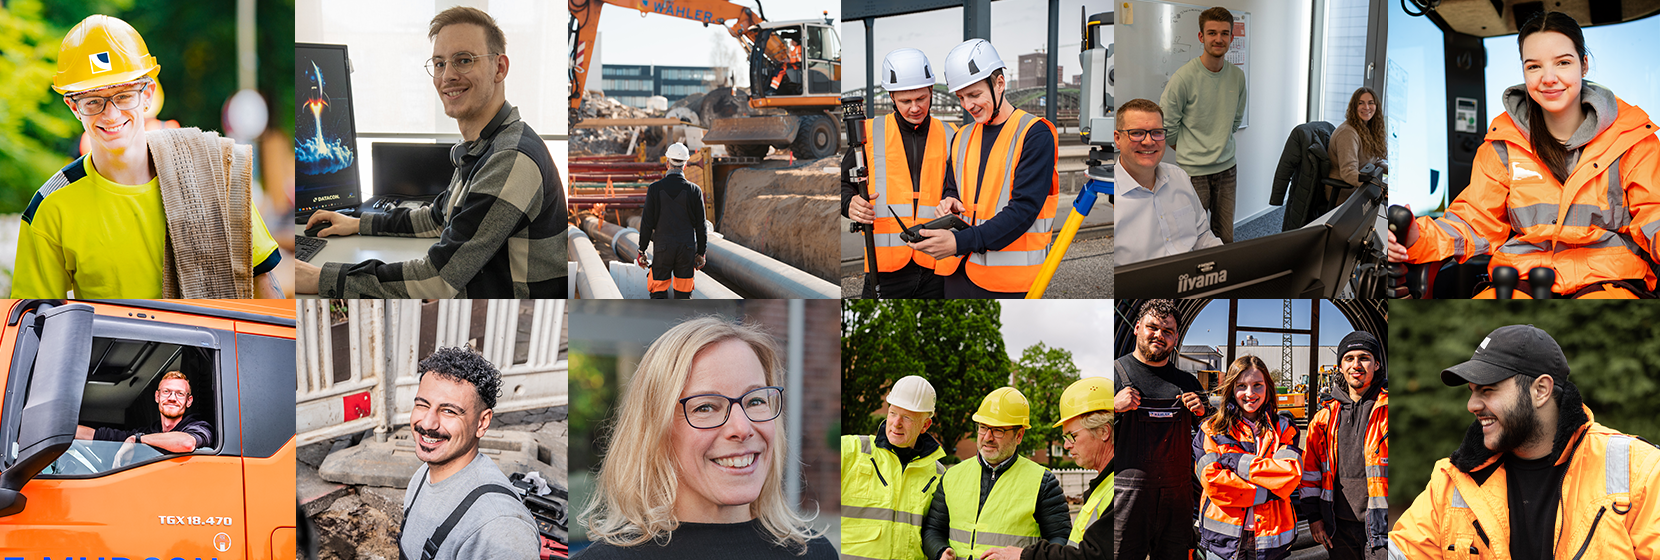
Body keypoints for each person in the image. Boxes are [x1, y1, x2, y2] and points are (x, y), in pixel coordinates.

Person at [298, 6, 566, 299]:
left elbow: (438, 278)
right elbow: (438, 219)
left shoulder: (510, 158)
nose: (447, 76)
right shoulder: (484, 146)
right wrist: (358, 223)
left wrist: (319, 278)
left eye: (464, 60)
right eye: (439, 64)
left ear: (499, 68)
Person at [1387, 11, 1660, 299]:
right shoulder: (1503, 144)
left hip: (1608, 278)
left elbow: (1654, 213)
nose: (1548, 78)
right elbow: (1475, 220)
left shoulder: (1632, 139)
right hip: (1520, 278)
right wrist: (1417, 237)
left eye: (1563, 63)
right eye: (1534, 67)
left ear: (1583, 65)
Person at [13, 14, 283, 299]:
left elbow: (263, 281)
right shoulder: (50, 209)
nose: (111, 114)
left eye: (123, 96)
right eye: (93, 101)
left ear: (147, 94)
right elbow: (35, 316)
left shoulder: (214, 171)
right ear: (73, 107)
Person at [1392, 325, 1660, 559]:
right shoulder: (1451, 482)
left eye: (1488, 389)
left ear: (1541, 390)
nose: (1472, 405)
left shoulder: (1641, 471)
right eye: (1472, 391)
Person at [577, 318, 836, 559]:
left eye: (756, 401)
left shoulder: (817, 554)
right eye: (706, 407)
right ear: (655, 429)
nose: (742, 428)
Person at [912, 38, 1059, 298]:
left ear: (999, 84)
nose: (967, 105)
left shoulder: (1034, 134)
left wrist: (958, 242)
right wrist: (949, 199)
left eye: (974, 95)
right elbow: (952, 186)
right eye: (961, 97)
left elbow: (1024, 210)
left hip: (1008, 281)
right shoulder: (962, 136)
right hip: (959, 272)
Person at [399, 347, 539, 560]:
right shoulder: (422, 476)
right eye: (422, 405)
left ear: (482, 423)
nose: (427, 423)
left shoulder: (498, 526)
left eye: (449, 411)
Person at [841, 48, 957, 298]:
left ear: (932, 91)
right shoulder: (867, 134)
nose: (915, 108)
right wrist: (849, 204)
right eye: (906, 101)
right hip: (885, 269)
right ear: (892, 96)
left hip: (937, 264)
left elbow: (959, 188)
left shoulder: (951, 135)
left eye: (921, 98)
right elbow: (842, 185)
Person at [920, 387, 1071, 560]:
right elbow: (933, 530)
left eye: (998, 430)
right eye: (983, 427)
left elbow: (1060, 540)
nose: (987, 437)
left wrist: (1025, 557)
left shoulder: (1043, 482)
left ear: (1019, 435)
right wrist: (940, 551)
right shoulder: (952, 476)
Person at [1113, 298, 1210, 560]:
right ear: (1137, 328)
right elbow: (1092, 431)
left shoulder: (1187, 382)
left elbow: (1215, 435)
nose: (1159, 335)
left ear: (1176, 338)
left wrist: (1203, 413)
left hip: (1177, 502)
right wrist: (1113, 407)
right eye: (1152, 327)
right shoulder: (1114, 374)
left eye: (1167, 331)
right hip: (1127, 501)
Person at [981, 377, 1115, 560]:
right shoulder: (1105, 486)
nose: (1066, 445)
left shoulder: (1121, 489)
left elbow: (1091, 556)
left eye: (1072, 436)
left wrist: (1025, 555)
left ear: (1104, 432)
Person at [1196, 356, 1302, 560]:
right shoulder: (1211, 430)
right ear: (1231, 389)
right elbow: (1214, 484)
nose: (1250, 393)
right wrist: (1270, 489)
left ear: (1268, 387)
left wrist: (1235, 463)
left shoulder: (1284, 428)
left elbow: (1289, 476)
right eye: (1241, 386)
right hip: (1223, 541)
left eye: (1257, 385)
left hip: (1271, 539)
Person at [1160, 6, 1247, 243]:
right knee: (1192, 237)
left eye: (1224, 33)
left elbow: (1236, 119)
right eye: (1212, 33)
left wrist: (1219, 142)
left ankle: (1223, 270)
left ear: (1231, 37)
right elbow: (1167, 126)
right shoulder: (1183, 78)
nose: (1218, 39)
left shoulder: (1237, 77)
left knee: (1225, 236)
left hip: (1227, 169)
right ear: (1201, 37)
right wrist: (1190, 150)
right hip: (1193, 172)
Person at [1300, 331, 1388, 560]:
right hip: (1338, 530)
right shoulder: (1324, 418)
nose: (1356, 365)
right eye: (1349, 358)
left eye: (1364, 358)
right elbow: (1310, 473)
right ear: (1340, 366)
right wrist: (1314, 518)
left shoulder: (1388, 411)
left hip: (1383, 531)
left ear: (1377, 364)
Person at [841, 375, 947, 560]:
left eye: (907, 417)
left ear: (925, 425)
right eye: (892, 413)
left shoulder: (938, 475)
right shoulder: (852, 451)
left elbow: (935, 532)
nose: (896, 423)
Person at [1114, 98, 1223, 265]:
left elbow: (1202, 235)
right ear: (1117, 139)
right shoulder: (1111, 196)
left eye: (1157, 132)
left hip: (1191, 276)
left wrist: (1224, 263)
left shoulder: (1179, 177)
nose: (1149, 142)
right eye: (1137, 133)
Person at [74, 370, 211, 454]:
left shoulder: (199, 427)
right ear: (157, 397)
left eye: (180, 394)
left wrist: (138, 439)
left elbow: (187, 443)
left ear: (189, 401)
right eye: (166, 392)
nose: (172, 398)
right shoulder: (150, 431)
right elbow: (103, 436)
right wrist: (63, 428)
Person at [636, 142, 707, 299]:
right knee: (683, 296)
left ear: (667, 163)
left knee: (658, 293)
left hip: (663, 248)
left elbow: (647, 223)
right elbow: (701, 226)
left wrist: (642, 251)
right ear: (685, 165)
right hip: (686, 249)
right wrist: (701, 252)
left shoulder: (654, 189)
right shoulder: (694, 191)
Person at [1327, 87, 1387, 208]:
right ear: (1354, 106)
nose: (1366, 107)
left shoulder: (1367, 128)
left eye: (1370, 103)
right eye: (1361, 103)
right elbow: (1348, 172)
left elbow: (1375, 161)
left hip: (1362, 188)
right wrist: (1376, 186)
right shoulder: (1347, 133)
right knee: (1390, 207)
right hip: (1346, 193)